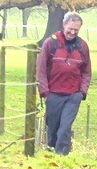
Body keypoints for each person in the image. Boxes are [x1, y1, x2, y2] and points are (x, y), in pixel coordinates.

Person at [36, 11, 91, 155]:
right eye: (70, 29)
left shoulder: (83, 46)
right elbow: (41, 69)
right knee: (53, 127)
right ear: (64, 25)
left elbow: (87, 71)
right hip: (53, 94)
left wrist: (82, 92)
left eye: (76, 30)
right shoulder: (50, 43)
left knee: (65, 127)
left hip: (73, 95)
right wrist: (44, 92)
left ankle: (63, 156)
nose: (72, 32)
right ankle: (51, 152)